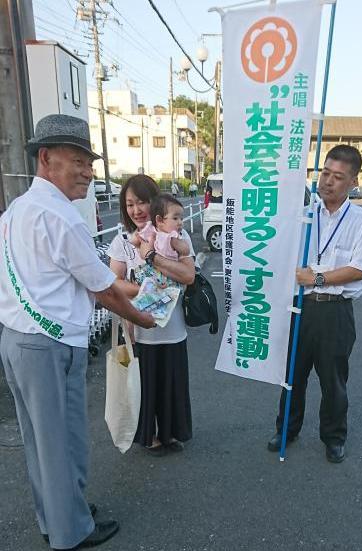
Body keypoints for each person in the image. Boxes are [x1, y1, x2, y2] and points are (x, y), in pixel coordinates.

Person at [0, 114, 156, 550]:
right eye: (78, 161)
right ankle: (72, 532)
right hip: (49, 347)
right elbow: (104, 288)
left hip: (16, 339)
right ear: (46, 158)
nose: (89, 171)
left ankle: (54, 518)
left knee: (38, 441)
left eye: (89, 162)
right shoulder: (61, 217)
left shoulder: (16, 210)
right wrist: (143, 317)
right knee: (63, 442)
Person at [267, 145, 362, 463]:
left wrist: (316, 278)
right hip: (299, 307)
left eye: (338, 176)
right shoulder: (301, 215)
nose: (328, 181)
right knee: (292, 377)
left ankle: (334, 437)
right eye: (325, 172)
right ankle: (286, 429)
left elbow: (360, 268)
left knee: (333, 380)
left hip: (335, 311)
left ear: (353, 182)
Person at [107, 174, 195, 457]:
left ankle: (170, 433)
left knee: (172, 382)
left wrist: (152, 258)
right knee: (144, 385)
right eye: (130, 204)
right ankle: (149, 436)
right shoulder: (123, 241)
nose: (136, 210)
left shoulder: (179, 237)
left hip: (173, 327)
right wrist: (144, 290)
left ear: (155, 203)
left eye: (142, 202)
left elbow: (188, 275)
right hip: (139, 328)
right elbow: (112, 281)